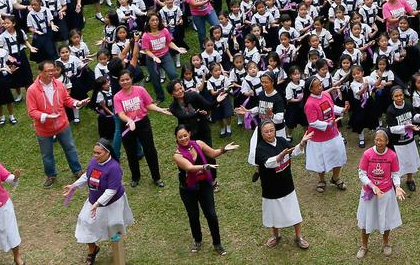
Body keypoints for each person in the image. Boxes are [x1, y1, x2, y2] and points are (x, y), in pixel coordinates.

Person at [171, 124, 238, 255]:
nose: (183, 138)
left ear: (189, 134)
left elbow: (213, 153)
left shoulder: (199, 144)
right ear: (176, 139)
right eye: (180, 137)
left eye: (185, 135)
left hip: (204, 186)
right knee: (193, 216)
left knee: (211, 215)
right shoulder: (177, 155)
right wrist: (204, 166)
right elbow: (189, 168)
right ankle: (198, 240)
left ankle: (217, 243)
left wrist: (224, 149)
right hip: (188, 189)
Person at [65, 139, 134, 265]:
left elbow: (111, 191)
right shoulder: (93, 162)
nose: (95, 155)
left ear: (107, 152)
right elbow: (87, 175)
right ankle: (93, 249)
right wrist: (74, 185)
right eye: (94, 152)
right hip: (94, 202)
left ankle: (118, 258)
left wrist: (98, 203)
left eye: (98, 153)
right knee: (84, 221)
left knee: (114, 227)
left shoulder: (114, 168)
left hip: (112, 204)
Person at [25, 59, 86, 187]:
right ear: (40, 72)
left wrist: (77, 103)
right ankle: (50, 175)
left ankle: (77, 171)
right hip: (43, 129)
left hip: (62, 124)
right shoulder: (32, 90)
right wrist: (46, 116)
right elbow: (32, 111)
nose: (51, 73)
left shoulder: (59, 84)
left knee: (70, 148)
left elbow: (66, 99)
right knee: (47, 154)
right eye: (48, 71)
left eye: (53, 70)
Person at [254, 121, 311, 249]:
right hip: (271, 188)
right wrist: (279, 156)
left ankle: (299, 237)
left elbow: (293, 152)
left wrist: (302, 143)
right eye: (266, 132)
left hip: (287, 185)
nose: (269, 134)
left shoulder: (281, 141)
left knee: (294, 212)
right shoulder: (260, 148)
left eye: (271, 130)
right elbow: (267, 163)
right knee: (274, 214)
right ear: (261, 133)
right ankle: (276, 236)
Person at [114, 69, 172, 187]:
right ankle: (135, 177)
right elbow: (120, 114)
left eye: (127, 79)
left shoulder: (140, 90)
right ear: (119, 82)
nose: (125, 82)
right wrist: (129, 121)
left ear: (131, 79)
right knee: (131, 152)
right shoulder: (117, 97)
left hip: (143, 124)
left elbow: (148, 104)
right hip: (127, 126)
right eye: (122, 80)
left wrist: (160, 110)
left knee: (150, 150)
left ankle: (156, 177)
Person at [356, 128, 406, 259]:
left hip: (386, 193)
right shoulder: (367, 154)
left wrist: (397, 186)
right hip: (369, 193)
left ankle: (386, 244)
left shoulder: (392, 156)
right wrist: (372, 186)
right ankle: (364, 246)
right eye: (376, 140)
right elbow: (362, 173)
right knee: (366, 219)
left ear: (387, 141)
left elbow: (395, 173)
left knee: (386, 218)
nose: (378, 142)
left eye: (381, 140)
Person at [304, 74, 347, 192]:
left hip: (333, 133)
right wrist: (328, 124)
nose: (320, 87)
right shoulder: (309, 104)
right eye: (317, 86)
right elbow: (312, 122)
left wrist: (342, 110)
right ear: (311, 89)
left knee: (338, 155)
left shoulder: (326, 94)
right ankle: (322, 180)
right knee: (320, 160)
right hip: (319, 138)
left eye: (320, 84)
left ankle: (335, 178)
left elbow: (332, 107)